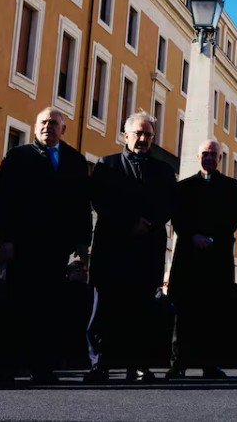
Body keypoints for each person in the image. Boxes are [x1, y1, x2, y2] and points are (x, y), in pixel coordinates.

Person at [0, 108, 91, 383]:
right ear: (35, 127)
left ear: (63, 129)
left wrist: (82, 245)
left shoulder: (74, 161)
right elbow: (2, 199)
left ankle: (43, 367)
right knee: (15, 306)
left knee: (49, 309)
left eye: (54, 123)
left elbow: (82, 206)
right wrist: (5, 240)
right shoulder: (18, 156)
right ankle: (8, 367)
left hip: (56, 249)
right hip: (22, 246)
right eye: (43, 122)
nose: (48, 127)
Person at [86, 112, 176, 382]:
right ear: (126, 135)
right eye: (138, 133)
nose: (143, 139)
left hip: (147, 249)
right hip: (113, 247)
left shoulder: (163, 170)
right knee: (105, 308)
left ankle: (138, 364)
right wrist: (129, 223)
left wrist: (147, 223)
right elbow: (100, 201)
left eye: (148, 134)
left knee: (142, 310)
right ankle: (100, 363)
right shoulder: (107, 165)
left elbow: (169, 203)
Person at [166, 140, 237, 379]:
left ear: (220, 158)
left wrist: (210, 238)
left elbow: (231, 220)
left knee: (214, 314)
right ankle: (179, 363)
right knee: (184, 314)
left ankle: (210, 364)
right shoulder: (183, 187)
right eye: (205, 154)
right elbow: (178, 217)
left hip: (216, 257)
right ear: (198, 157)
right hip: (189, 256)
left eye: (214, 154)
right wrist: (193, 236)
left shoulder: (232, 187)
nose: (209, 157)